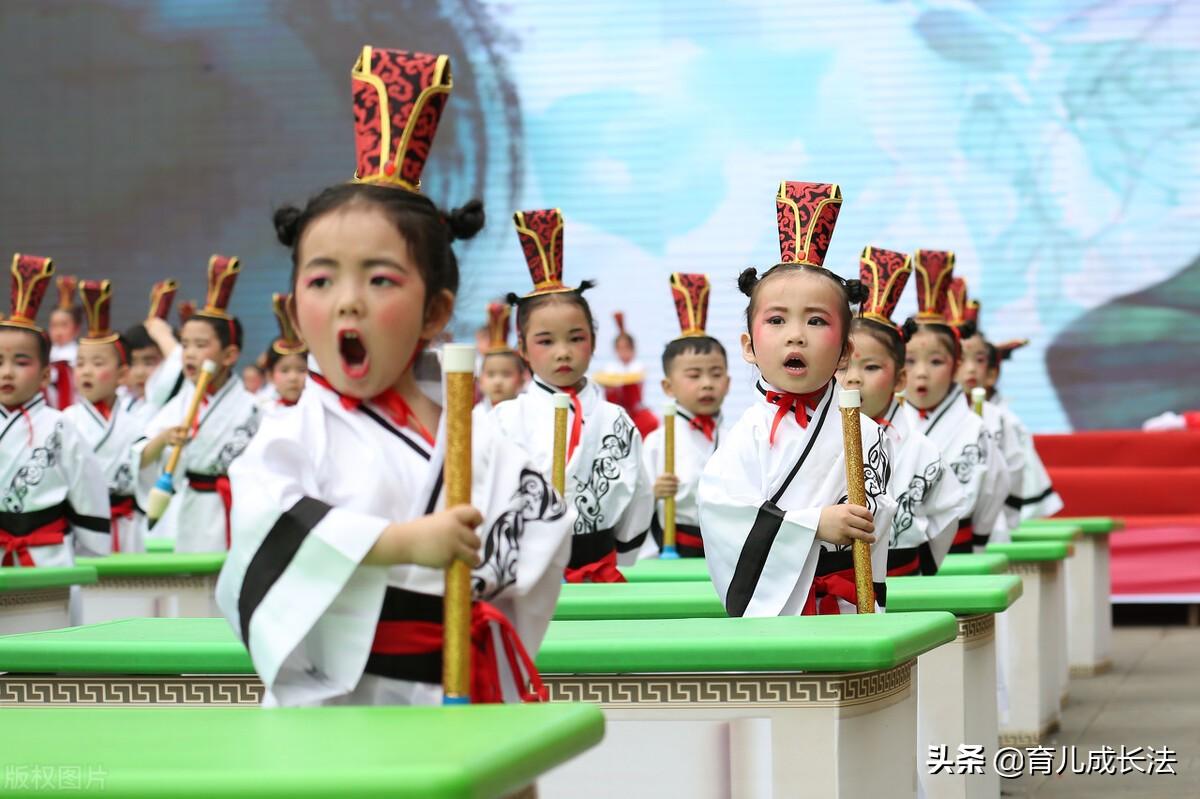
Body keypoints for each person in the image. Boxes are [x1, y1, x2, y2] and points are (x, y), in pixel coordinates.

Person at [215, 45, 571, 707]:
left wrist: (488, 568)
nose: (349, 300)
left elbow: (542, 523)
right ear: (294, 311)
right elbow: (269, 524)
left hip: (465, 684)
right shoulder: (290, 435)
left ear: (435, 311)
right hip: (344, 699)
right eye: (323, 279)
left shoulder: (479, 438)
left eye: (380, 279)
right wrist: (400, 542)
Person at [700, 181, 894, 616]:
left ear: (845, 351)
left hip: (846, 603)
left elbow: (879, 513)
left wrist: (859, 520)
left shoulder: (868, 434)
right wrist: (814, 526)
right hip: (778, 613)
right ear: (749, 346)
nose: (796, 334)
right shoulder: (745, 436)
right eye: (777, 319)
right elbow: (721, 512)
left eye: (815, 320)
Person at [495, 207, 654, 582]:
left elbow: (639, 496)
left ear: (594, 341)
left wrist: (625, 552)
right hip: (525, 572)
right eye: (545, 341)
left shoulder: (616, 419)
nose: (562, 352)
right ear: (522, 347)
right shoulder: (503, 420)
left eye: (576, 338)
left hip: (598, 567)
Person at [836, 246, 966, 575]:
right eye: (843, 365)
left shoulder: (921, 449)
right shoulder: (809, 440)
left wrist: (920, 568)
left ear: (899, 378)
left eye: (871, 367)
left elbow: (946, 512)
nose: (853, 377)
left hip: (905, 582)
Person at [133, 255, 261, 552]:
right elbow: (140, 454)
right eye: (186, 344)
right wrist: (165, 438)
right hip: (188, 508)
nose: (189, 354)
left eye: (201, 345)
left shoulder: (254, 409)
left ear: (229, 355)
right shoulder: (181, 403)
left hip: (236, 509)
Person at [0, 254, 109, 567]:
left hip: (49, 556)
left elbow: (87, 487)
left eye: (21, 362)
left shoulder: (60, 427)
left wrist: (91, 552)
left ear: (46, 374)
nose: (7, 373)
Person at [900, 251, 1009, 553]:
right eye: (910, 360)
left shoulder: (975, 428)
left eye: (935, 361)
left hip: (961, 556)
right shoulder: (885, 429)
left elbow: (994, 491)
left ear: (955, 364)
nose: (921, 373)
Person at [641, 272, 730, 557]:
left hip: (726, 551)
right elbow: (631, 502)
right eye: (694, 375)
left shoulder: (737, 437)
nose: (706, 383)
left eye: (715, 374)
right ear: (668, 386)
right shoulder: (657, 441)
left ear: (727, 383)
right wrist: (652, 493)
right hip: (674, 548)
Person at [955, 297, 1063, 521]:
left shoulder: (1005, 422)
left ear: (993, 373)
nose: (971, 368)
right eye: (961, 359)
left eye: (979, 359)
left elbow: (1021, 482)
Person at [63, 280, 150, 553]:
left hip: (126, 526)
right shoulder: (65, 420)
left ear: (122, 374)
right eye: (80, 364)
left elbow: (145, 469)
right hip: (81, 526)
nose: (86, 372)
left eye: (97, 364)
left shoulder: (135, 422)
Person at [593, 311, 659, 437]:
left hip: (635, 414)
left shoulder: (638, 367)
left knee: (651, 422)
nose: (624, 352)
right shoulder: (610, 368)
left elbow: (631, 380)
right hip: (613, 413)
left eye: (626, 348)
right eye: (620, 348)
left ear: (633, 349)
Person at [473, 301, 524, 428]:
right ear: (480, 381)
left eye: (506, 374)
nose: (498, 381)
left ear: (521, 380)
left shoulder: (525, 414)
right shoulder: (474, 416)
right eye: (490, 375)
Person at [262, 292, 308, 410]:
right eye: (284, 370)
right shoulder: (261, 412)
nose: (293, 378)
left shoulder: (322, 411)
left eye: (302, 370)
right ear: (270, 376)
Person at [46, 275, 81, 410]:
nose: (58, 331)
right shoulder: (46, 353)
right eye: (54, 326)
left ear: (76, 328)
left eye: (64, 325)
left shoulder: (79, 355)